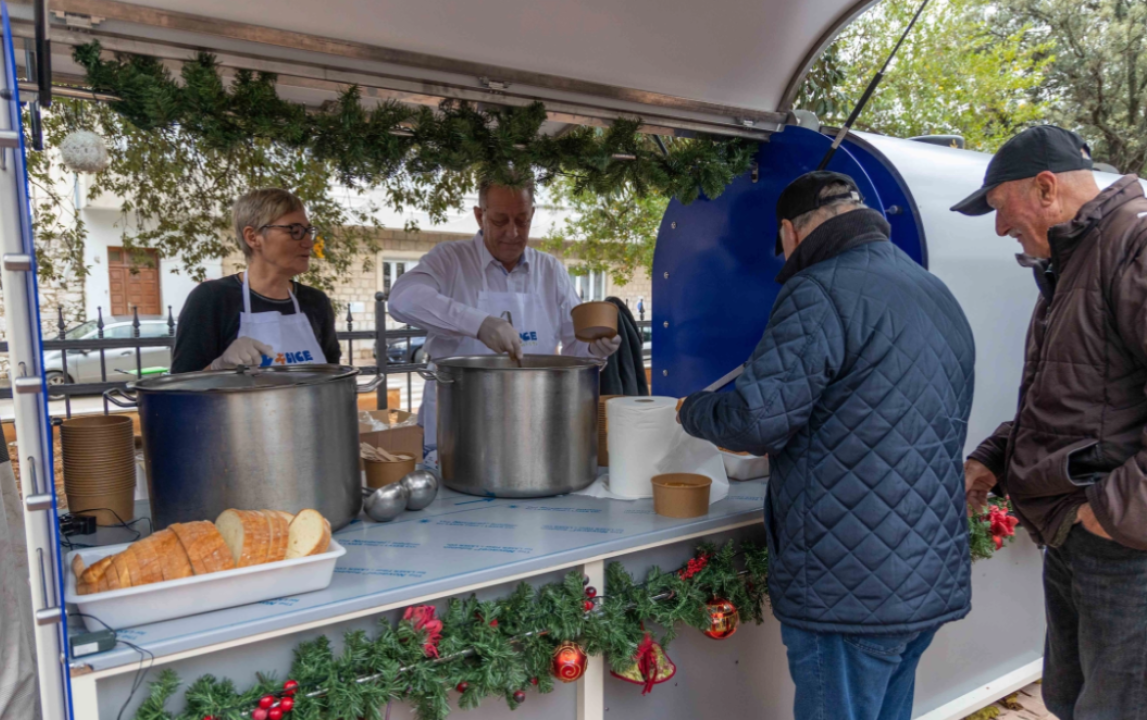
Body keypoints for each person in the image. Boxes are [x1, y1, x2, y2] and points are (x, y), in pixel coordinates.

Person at [679, 171, 975, 720]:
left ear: (790, 232)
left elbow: (755, 422)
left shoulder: (817, 291)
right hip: (923, 575)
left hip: (848, 588)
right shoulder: (932, 290)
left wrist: (691, 410)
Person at [951, 125, 1147, 720]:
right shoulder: (1072, 260)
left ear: (1044, 188)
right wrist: (994, 455)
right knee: (1067, 697)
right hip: (1076, 532)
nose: (998, 226)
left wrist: (1112, 512)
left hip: (1122, 544)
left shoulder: (1132, 244)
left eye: (998, 206)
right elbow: (1071, 396)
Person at [388, 177, 621, 449]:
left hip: (534, 421)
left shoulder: (550, 270)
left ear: (532, 214)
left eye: (522, 221)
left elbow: (574, 351)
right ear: (480, 216)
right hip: (458, 426)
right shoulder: (450, 260)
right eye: (500, 221)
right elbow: (402, 299)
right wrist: (479, 323)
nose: (512, 233)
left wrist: (595, 349)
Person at [172, 189, 341, 372]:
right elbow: (181, 389)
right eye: (295, 231)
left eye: (309, 231)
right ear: (253, 238)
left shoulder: (315, 302)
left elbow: (333, 375)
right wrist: (219, 366)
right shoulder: (212, 299)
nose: (308, 242)